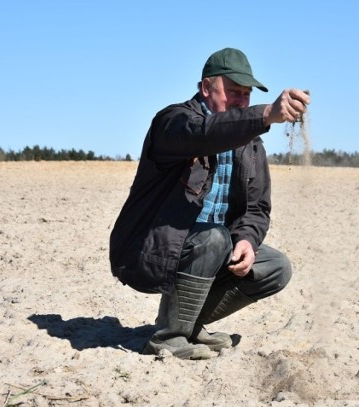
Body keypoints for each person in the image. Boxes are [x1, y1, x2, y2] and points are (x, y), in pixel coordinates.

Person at [109, 47, 310, 360]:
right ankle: (169, 338)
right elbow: (206, 133)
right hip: (151, 249)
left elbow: (256, 208)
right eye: (233, 92)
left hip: (210, 250)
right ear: (206, 88)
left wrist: (247, 239)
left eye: (246, 95)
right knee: (214, 238)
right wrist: (265, 114)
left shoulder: (251, 144)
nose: (240, 102)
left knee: (274, 267)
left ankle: (189, 324)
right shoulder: (174, 122)